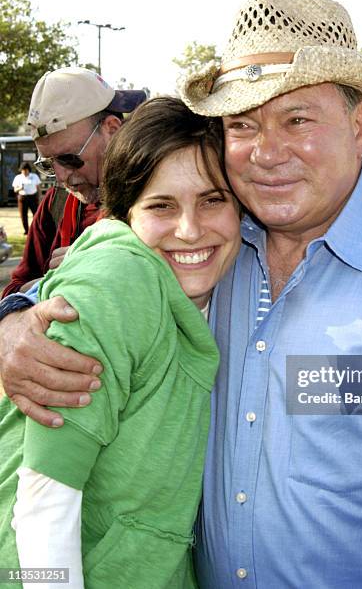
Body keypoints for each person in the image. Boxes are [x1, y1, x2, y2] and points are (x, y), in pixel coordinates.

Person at [1, 0, 362, 588]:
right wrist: (14, 320)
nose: (267, 152)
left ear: (359, 127)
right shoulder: (210, 249)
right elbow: (94, 278)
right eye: (242, 124)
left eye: (297, 119)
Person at [0, 97, 241, 588]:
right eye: (161, 206)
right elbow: (45, 503)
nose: (191, 229)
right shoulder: (120, 279)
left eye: (213, 199)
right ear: (125, 213)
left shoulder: (224, 277)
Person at [1, 67, 146, 297]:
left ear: (112, 129)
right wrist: (58, 280)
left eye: (68, 158)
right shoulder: (55, 203)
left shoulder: (155, 203)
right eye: (48, 164)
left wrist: (107, 267)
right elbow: (14, 290)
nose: (60, 176)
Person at [11, 163, 41, 235]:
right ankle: (26, 230)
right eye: (23, 170)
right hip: (23, 198)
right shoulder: (18, 177)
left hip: (33, 197)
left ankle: (35, 229)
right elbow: (15, 190)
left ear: (28, 170)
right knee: (23, 215)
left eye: (26, 170)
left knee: (36, 214)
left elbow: (38, 188)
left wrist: (39, 197)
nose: (24, 172)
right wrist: (20, 188)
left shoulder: (34, 176)